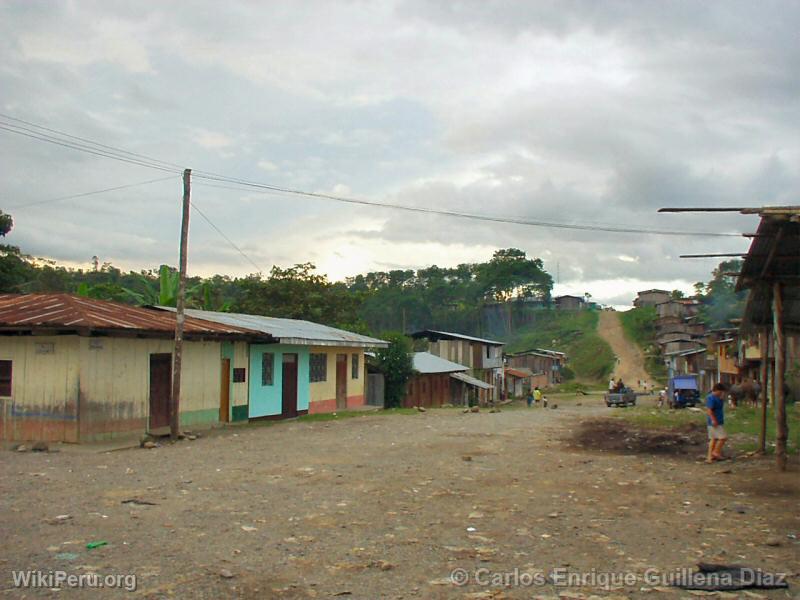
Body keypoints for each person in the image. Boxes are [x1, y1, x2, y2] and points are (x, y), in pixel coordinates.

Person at [706, 383, 728, 463]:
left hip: (717, 420)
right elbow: (709, 410)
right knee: (723, 437)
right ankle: (716, 452)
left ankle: (709, 457)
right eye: (721, 392)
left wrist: (721, 398)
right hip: (715, 421)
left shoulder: (718, 398)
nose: (722, 393)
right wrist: (713, 420)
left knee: (713, 439)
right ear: (717, 390)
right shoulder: (711, 398)